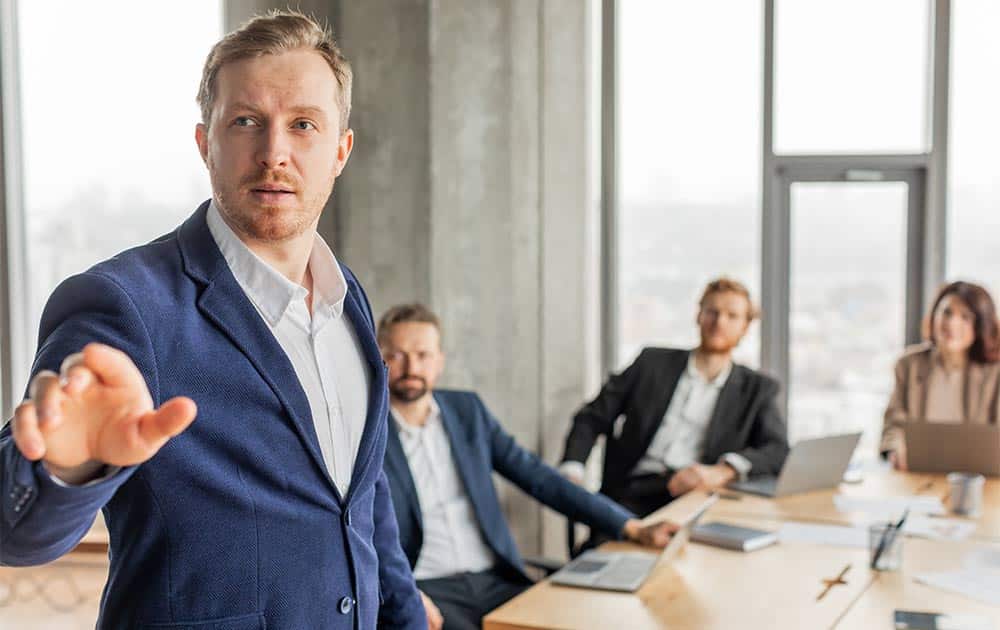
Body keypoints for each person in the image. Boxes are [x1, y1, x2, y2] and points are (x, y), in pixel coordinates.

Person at [0, 12, 424, 629]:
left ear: (340, 150)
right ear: (206, 143)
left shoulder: (347, 297)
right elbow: (15, 532)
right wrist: (67, 468)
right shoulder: (123, 303)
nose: (274, 152)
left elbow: (364, 504)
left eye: (303, 125)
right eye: (246, 122)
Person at [376, 304, 675, 630]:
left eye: (423, 355)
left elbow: (539, 478)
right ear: (380, 358)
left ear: (440, 360)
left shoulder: (467, 411)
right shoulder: (367, 431)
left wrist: (631, 527)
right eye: (397, 355)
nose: (411, 367)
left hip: (497, 579)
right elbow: (357, 530)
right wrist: (402, 592)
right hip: (426, 587)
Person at [560, 277, 789, 518]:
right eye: (712, 311)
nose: (719, 322)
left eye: (732, 316)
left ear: (745, 327)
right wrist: (571, 469)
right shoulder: (650, 364)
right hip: (630, 494)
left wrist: (723, 471)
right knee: (614, 553)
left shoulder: (757, 389)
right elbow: (592, 417)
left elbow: (777, 450)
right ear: (698, 315)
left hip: (700, 499)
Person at [881, 280, 1000, 469]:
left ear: (980, 327)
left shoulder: (995, 372)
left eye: (965, 317)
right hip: (918, 475)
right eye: (947, 312)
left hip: (979, 480)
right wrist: (895, 448)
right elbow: (894, 424)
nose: (952, 323)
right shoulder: (908, 365)